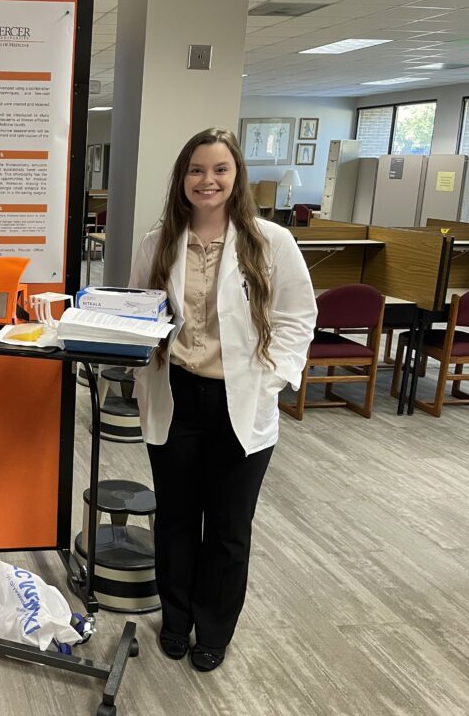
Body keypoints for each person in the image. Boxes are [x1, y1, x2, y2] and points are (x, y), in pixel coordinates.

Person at [129, 127, 316, 672]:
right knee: (177, 520)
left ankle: (213, 630)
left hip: (242, 398)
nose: (207, 180)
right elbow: (137, 313)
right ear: (182, 180)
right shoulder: (159, 242)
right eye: (196, 170)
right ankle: (178, 618)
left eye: (219, 170)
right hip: (178, 395)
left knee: (229, 528)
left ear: (237, 178)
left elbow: (297, 316)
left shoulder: (270, 241)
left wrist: (275, 377)